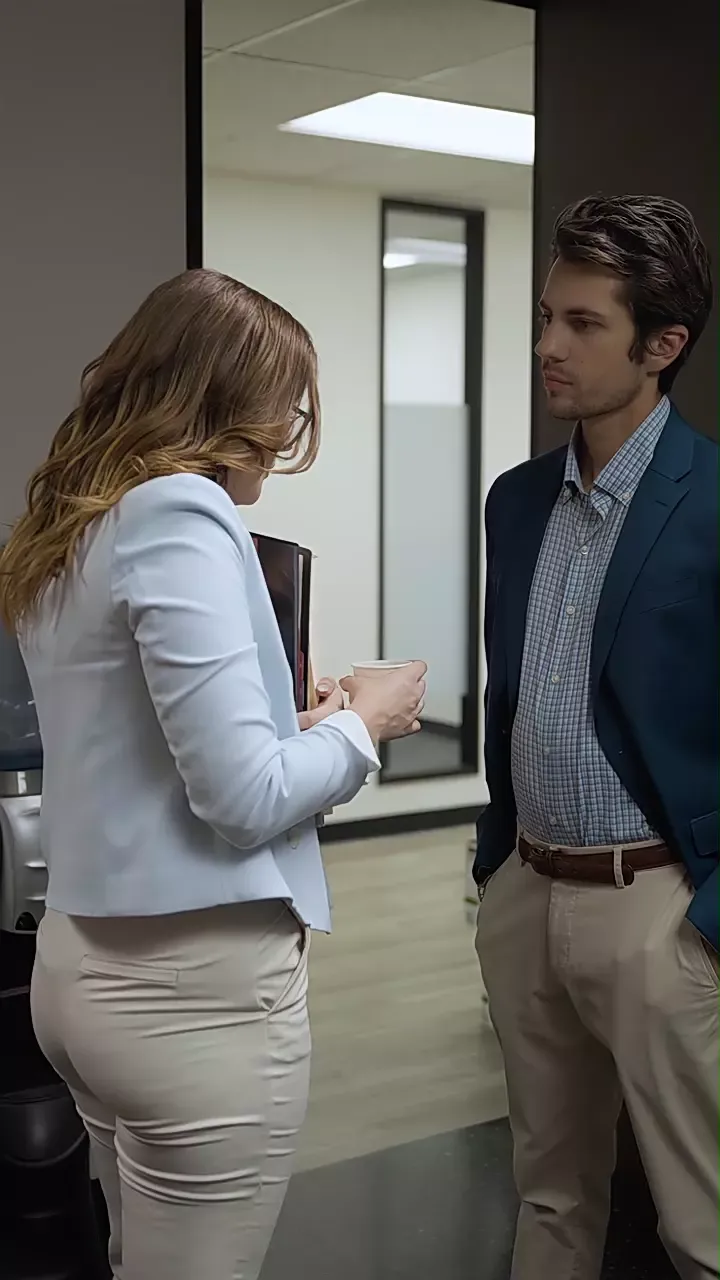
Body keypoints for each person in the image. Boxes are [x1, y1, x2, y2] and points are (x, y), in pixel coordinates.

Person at [0, 268, 426, 1280]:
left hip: (82, 975)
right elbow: (243, 798)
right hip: (192, 1001)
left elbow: (136, 739)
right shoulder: (181, 512)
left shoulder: (77, 522)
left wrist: (296, 724)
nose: (286, 431)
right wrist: (364, 722)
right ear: (228, 399)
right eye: (285, 404)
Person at [474, 194, 718, 1280]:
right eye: (546, 317)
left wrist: (707, 919)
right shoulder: (516, 500)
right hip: (528, 894)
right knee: (550, 1197)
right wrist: (496, 868)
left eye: (582, 324)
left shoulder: (713, 501)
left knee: (702, 1226)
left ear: (662, 346)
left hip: (657, 906)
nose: (548, 346)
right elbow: (511, 693)